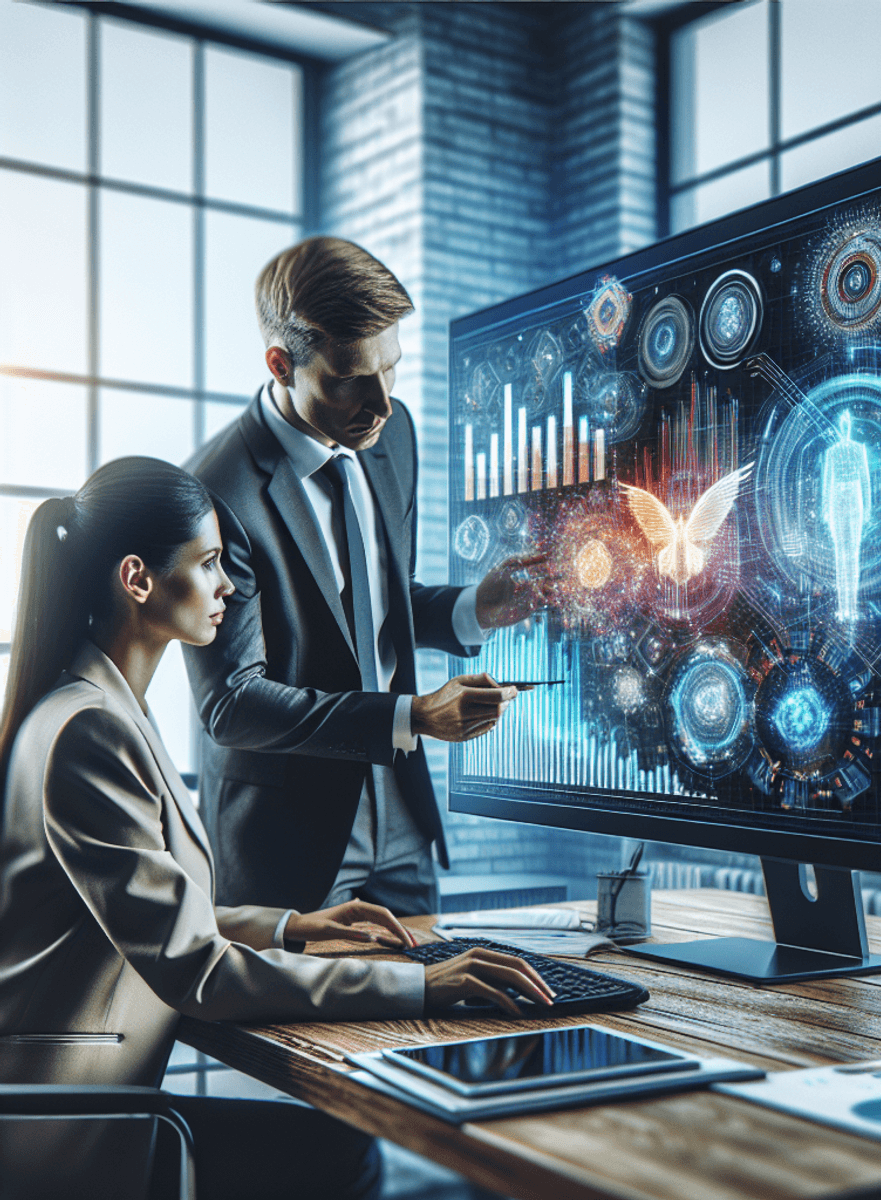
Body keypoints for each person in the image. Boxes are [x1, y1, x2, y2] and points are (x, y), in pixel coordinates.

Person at [0, 458, 553, 1200]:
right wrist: (418, 984)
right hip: (71, 1127)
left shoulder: (98, 706)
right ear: (137, 579)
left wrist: (294, 927)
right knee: (341, 1152)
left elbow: (144, 921)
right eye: (207, 563)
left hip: (94, 1104)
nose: (228, 584)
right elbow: (195, 971)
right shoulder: (88, 731)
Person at [183, 237, 546, 916]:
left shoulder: (391, 434)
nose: (380, 403)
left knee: (435, 1009)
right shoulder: (213, 491)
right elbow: (232, 701)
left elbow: (371, 608)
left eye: (392, 370)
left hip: (402, 813)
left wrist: (474, 608)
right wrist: (414, 715)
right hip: (286, 844)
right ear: (280, 364)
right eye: (352, 378)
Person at [821, 410, 872, 621]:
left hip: (854, 497)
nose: (844, 426)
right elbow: (826, 482)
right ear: (838, 427)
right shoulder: (832, 452)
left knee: (853, 554)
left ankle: (852, 607)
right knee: (840, 555)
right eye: (841, 423)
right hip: (837, 500)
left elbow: (866, 480)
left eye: (847, 423)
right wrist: (825, 508)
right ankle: (843, 608)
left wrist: (867, 508)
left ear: (849, 425)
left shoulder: (859, 449)